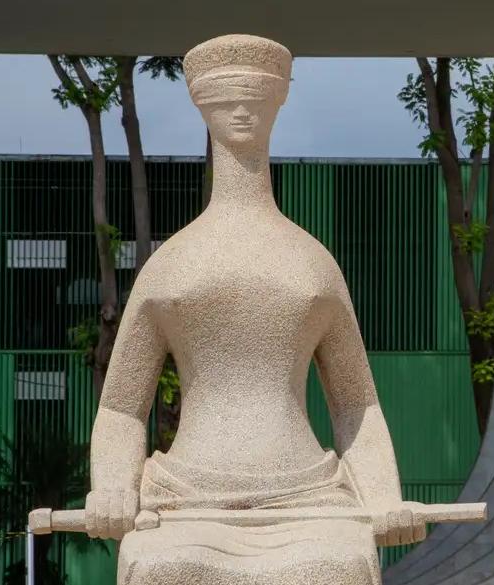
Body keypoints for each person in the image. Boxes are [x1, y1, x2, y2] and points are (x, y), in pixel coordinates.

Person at [82, 34, 423, 584]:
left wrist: (384, 497)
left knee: (335, 567)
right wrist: (114, 489)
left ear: (278, 103)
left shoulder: (312, 263)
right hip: (186, 500)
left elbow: (356, 404)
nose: (242, 111)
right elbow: (122, 408)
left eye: (255, 100)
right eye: (227, 101)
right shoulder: (171, 266)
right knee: (162, 568)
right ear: (202, 107)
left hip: (308, 496)